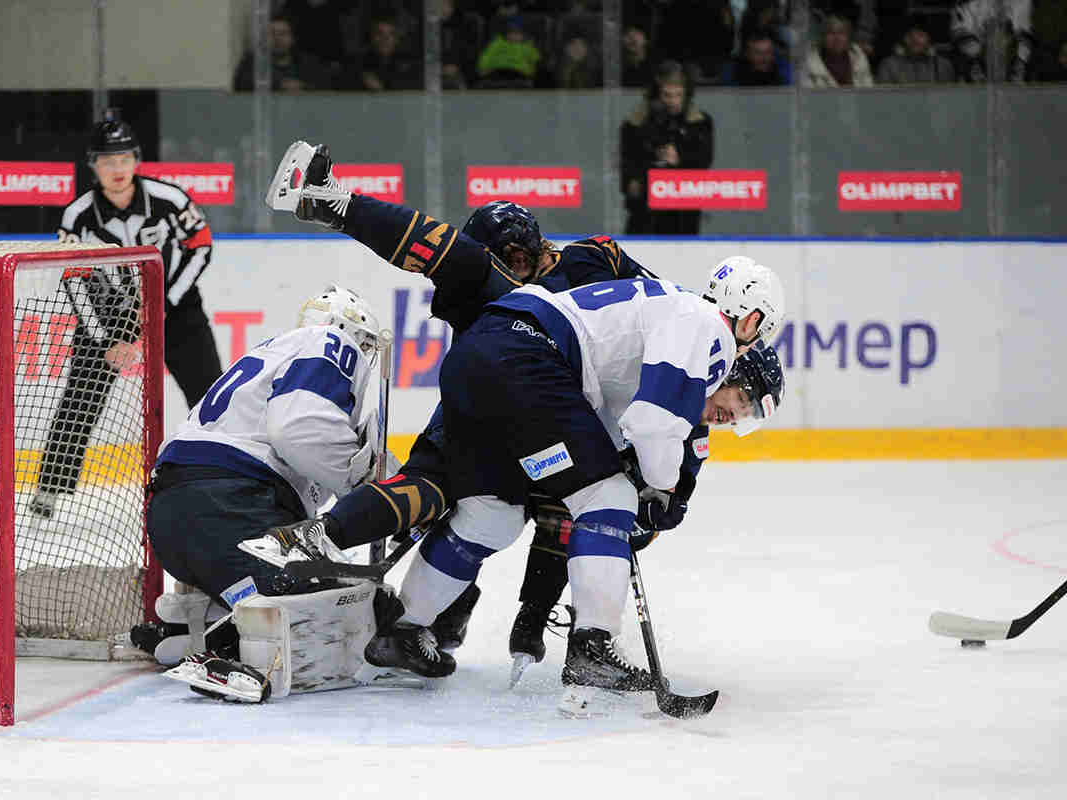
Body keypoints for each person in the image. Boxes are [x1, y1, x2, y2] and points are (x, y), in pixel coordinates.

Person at [254, 142, 786, 702]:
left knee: (493, 515)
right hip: (531, 368)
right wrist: (657, 483)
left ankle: (396, 618)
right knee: (600, 497)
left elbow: (644, 410)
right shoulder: (690, 322)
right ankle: (590, 648)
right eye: (740, 403)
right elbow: (656, 422)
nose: (730, 414)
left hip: (494, 380)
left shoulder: (608, 272)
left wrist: (536, 609)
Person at [507, 339, 785, 684]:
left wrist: (655, 512)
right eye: (741, 401)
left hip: (565, 488)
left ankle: (585, 641)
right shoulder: (652, 378)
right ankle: (517, 615)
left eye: (745, 415)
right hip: (535, 448)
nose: (734, 417)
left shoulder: (695, 439)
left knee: (617, 528)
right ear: (726, 373)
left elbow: (672, 498)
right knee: (503, 515)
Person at [144, 284, 383, 676]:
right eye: (366, 344)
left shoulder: (272, 352)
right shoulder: (331, 341)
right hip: (228, 510)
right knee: (335, 603)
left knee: (291, 572)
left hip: (172, 519)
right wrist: (360, 481)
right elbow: (299, 429)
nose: (364, 354)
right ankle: (237, 646)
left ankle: (194, 624)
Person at [29, 110, 222, 519]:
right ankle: (50, 489)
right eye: (106, 161)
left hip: (176, 311)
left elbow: (201, 246)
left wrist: (165, 304)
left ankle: (224, 475)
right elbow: (74, 280)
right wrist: (106, 338)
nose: (116, 169)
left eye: (123, 159)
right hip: (106, 317)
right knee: (80, 399)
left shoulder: (170, 199)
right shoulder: (77, 216)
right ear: (93, 166)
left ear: (136, 160)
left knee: (211, 396)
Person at [619, 60, 715, 235]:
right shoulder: (637, 124)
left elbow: (705, 160)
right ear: (657, 94)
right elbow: (627, 160)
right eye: (667, 95)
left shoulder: (699, 123)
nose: (673, 101)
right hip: (645, 208)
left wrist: (680, 159)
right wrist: (634, 179)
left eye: (678, 95)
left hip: (684, 208)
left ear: (686, 95)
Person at [233, 15, 333, 92]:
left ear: (292, 39)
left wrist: (303, 87)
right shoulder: (252, 62)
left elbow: (325, 86)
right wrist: (279, 85)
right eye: (272, 34)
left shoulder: (308, 63)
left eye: (283, 34)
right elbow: (241, 85)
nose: (277, 39)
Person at [951, 0, 1034, 83]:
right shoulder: (967, 4)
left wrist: (1020, 62)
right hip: (974, 57)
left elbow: (1024, 34)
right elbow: (960, 32)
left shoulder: (1022, 3)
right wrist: (974, 61)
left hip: (1010, 58)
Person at [875, 15, 957, 85]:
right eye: (910, 35)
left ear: (929, 39)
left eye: (920, 35)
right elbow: (884, 96)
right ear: (903, 39)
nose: (915, 40)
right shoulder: (889, 65)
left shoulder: (942, 65)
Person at [801, 14, 874, 87]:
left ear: (848, 37)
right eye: (831, 33)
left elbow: (868, 88)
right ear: (822, 37)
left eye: (841, 33)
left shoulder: (859, 58)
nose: (837, 38)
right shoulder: (809, 62)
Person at [476, 14, 542, 87]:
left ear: (524, 34)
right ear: (506, 33)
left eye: (518, 33)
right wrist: (483, 69)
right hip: (497, 69)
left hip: (520, 72)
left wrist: (534, 71)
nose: (514, 36)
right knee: (490, 79)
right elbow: (487, 56)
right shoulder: (498, 43)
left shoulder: (527, 45)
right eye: (511, 32)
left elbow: (536, 59)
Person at [724, 29, 792, 86]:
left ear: (773, 54)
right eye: (757, 53)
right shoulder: (731, 76)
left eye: (768, 52)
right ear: (747, 54)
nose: (764, 58)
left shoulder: (784, 74)